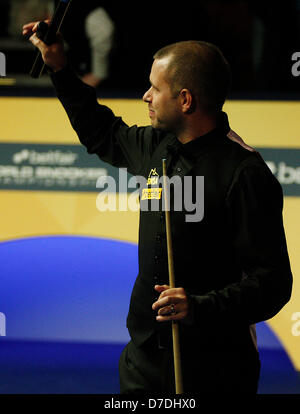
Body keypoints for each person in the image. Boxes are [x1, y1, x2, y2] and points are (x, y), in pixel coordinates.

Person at [23, 23, 293, 394]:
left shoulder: (245, 173)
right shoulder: (157, 145)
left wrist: (199, 306)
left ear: (185, 100)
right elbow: (101, 132)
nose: (146, 96)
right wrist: (59, 67)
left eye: (156, 88)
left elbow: (273, 283)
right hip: (144, 362)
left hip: (215, 368)